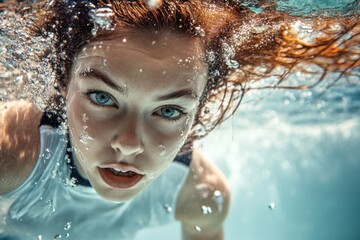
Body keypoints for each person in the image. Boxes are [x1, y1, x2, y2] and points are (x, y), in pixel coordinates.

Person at [0, 0, 358, 239]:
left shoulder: (200, 195)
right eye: (103, 97)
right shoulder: (11, 153)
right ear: (64, 82)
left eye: (169, 111)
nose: (129, 142)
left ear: (198, 111)